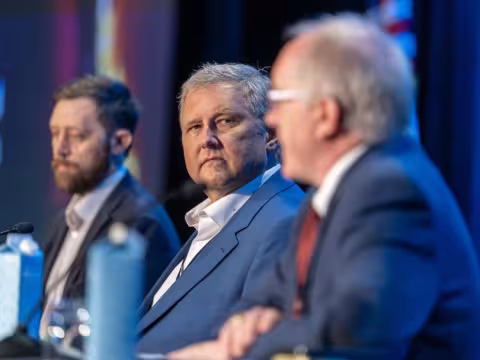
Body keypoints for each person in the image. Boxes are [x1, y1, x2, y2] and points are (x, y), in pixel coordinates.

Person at [170, 14, 480, 360]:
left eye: (280, 103)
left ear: (326, 114)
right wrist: (250, 320)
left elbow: (348, 331)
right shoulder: (332, 193)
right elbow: (274, 296)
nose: (270, 121)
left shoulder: (390, 192)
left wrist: (243, 346)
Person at [136, 63, 304, 354]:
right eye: (194, 127)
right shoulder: (217, 218)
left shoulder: (284, 223)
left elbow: (260, 350)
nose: (207, 140)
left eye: (225, 121)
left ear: (272, 132)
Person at [41, 75, 180, 335]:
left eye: (76, 136)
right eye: (55, 134)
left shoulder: (142, 227)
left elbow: (124, 338)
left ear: (120, 142)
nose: (60, 149)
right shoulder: (62, 221)